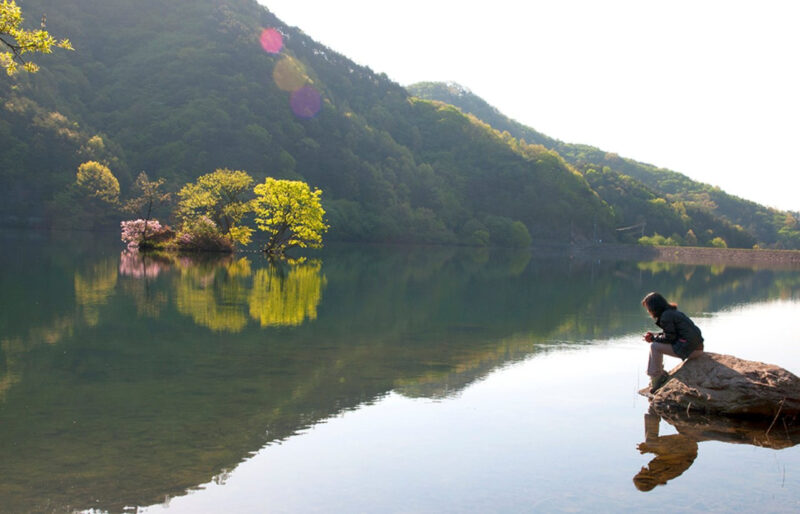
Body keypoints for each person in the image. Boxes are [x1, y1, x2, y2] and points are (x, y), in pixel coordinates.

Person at [641, 292, 704, 393]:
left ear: (654, 307)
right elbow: (672, 333)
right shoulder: (671, 312)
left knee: (654, 346)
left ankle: (656, 378)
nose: (648, 311)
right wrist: (655, 335)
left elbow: (670, 338)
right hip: (697, 348)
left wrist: (653, 339)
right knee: (655, 344)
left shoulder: (666, 316)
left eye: (648, 308)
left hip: (692, 351)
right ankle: (657, 375)